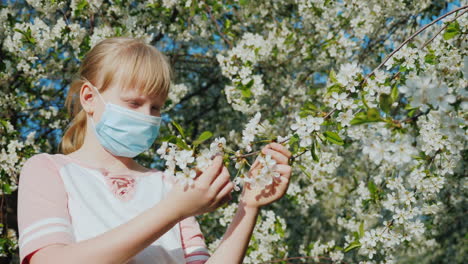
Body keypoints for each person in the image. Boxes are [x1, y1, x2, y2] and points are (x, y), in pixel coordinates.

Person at [17, 36, 292, 264]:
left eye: (156, 107)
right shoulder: (49, 170)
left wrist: (248, 206)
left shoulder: (170, 185)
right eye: (134, 103)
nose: (147, 116)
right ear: (89, 98)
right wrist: (172, 211)